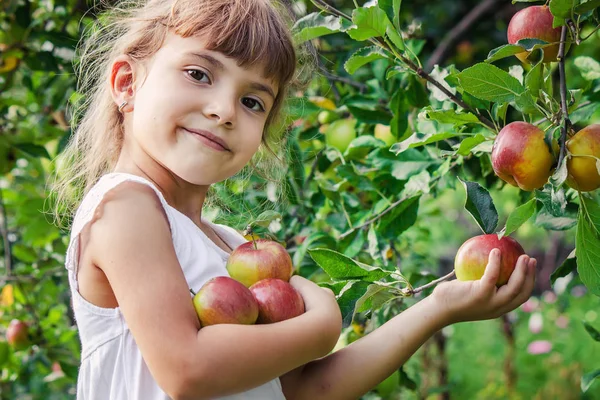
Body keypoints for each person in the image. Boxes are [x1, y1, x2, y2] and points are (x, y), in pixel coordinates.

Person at [53, 0, 537, 399]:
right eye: (200, 74)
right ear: (126, 84)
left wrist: (439, 306)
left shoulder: (230, 248)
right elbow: (188, 371)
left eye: (252, 102)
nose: (223, 110)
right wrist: (324, 325)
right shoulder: (126, 206)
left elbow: (307, 390)